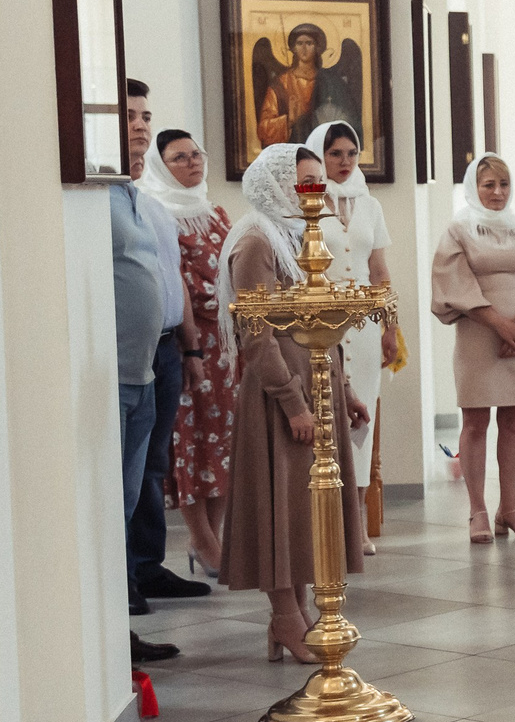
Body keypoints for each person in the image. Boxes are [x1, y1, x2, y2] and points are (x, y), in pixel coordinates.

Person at [218, 143, 370, 662]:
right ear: (276, 184)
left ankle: (296, 615)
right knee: (280, 506)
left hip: (316, 386)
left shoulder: (295, 235)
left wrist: (342, 388)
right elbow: (256, 334)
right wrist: (292, 401)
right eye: (303, 181)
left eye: (316, 181)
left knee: (305, 511)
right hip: (278, 396)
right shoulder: (258, 241)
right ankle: (286, 615)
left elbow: (318, 320)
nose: (314, 191)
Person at [433, 152, 515, 544]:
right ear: (475, 187)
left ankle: (510, 509)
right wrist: (500, 326)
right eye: (489, 185)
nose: (497, 192)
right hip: (478, 335)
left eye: (503, 185)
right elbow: (454, 283)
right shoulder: (459, 230)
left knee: (512, 422)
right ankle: (478, 512)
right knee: (475, 423)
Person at [122, 84, 213, 612]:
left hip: (167, 347)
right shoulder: (115, 197)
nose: (140, 125)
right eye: (130, 116)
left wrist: (192, 348)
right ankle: (127, 576)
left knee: (154, 462)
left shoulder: (149, 205)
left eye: (145, 116)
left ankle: (148, 565)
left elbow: (170, 274)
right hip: (129, 350)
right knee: (130, 469)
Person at [141, 128, 234, 578]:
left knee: (222, 442)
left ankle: (211, 538)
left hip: (227, 343)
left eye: (196, 154)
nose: (193, 163)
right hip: (189, 342)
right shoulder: (159, 212)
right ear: (161, 166)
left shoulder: (214, 211)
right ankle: (199, 536)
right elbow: (176, 282)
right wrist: (193, 344)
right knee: (191, 443)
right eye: (180, 158)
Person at [314, 122, 399, 492]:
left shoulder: (370, 204)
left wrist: (391, 327)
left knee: (362, 414)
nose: (345, 161)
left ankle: (358, 518)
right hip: (321, 321)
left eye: (352, 153)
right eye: (335, 153)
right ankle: (326, 515)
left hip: (364, 325)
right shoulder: (307, 202)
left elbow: (380, 271)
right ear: (319, 155)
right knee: (326, 418)